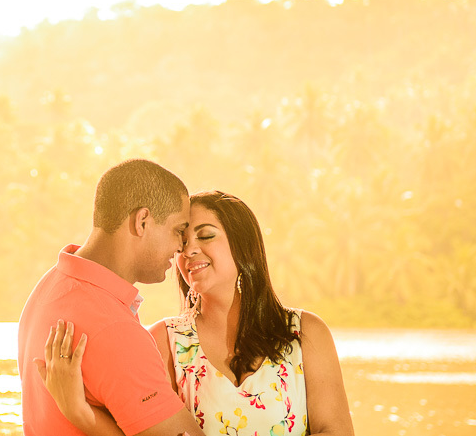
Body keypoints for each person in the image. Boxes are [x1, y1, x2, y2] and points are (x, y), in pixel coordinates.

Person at [40, 190, 356, 436]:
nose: (189, 251)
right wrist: (79, 412)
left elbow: (336, 431)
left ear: (243, 246)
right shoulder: (163, 341)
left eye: (205, 236)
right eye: (182, 243)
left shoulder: (305, 333)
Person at [18, 158, 205, 436]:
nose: (181, 247)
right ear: (142, 221)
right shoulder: (114, 329)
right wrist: (86, 418)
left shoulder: (49, 286)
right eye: (179, 231)